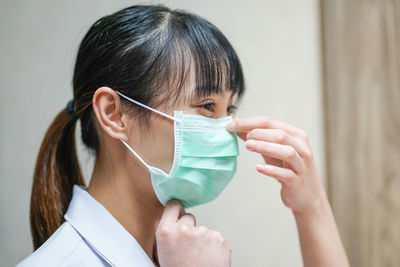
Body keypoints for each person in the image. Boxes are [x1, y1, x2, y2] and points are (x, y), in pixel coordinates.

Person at [18, 4, 349, 267]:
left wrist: (312, 205)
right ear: (114, 114)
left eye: (229, 110)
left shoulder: (180, 253)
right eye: (207, 106)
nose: (227, 130)